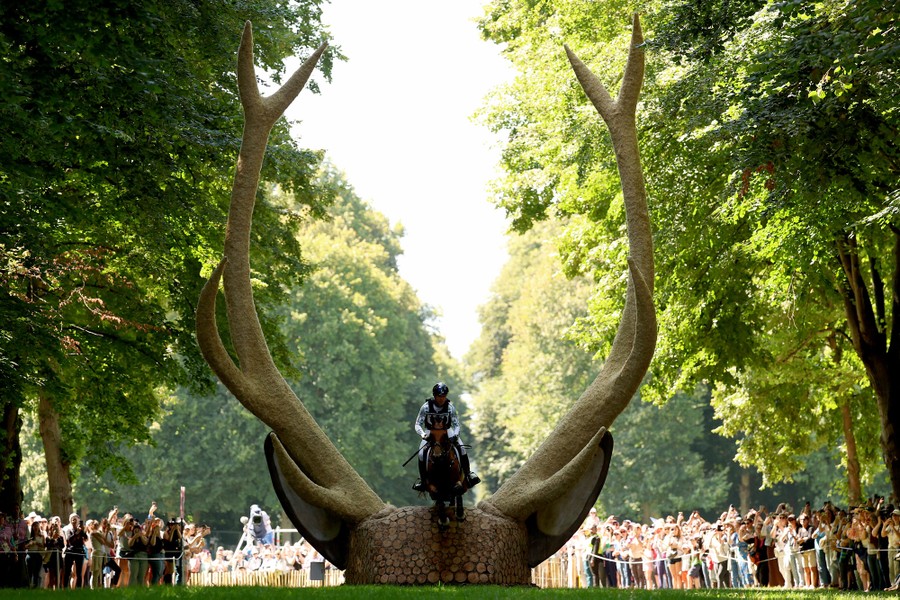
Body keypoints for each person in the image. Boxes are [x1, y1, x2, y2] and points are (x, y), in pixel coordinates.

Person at [412, 382, 479, 492]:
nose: (442, 399)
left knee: (461, 448)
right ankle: (423, 481)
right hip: (430, 431)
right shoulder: (425, 407)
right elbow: (417, 424)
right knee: (421, 453)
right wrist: (423, 434)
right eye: (439, 396)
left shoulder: (450, 407)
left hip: (447, 431)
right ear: (434, 396)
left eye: (444, 396)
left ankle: (468, 475)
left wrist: (455, 436)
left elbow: (456, 424)